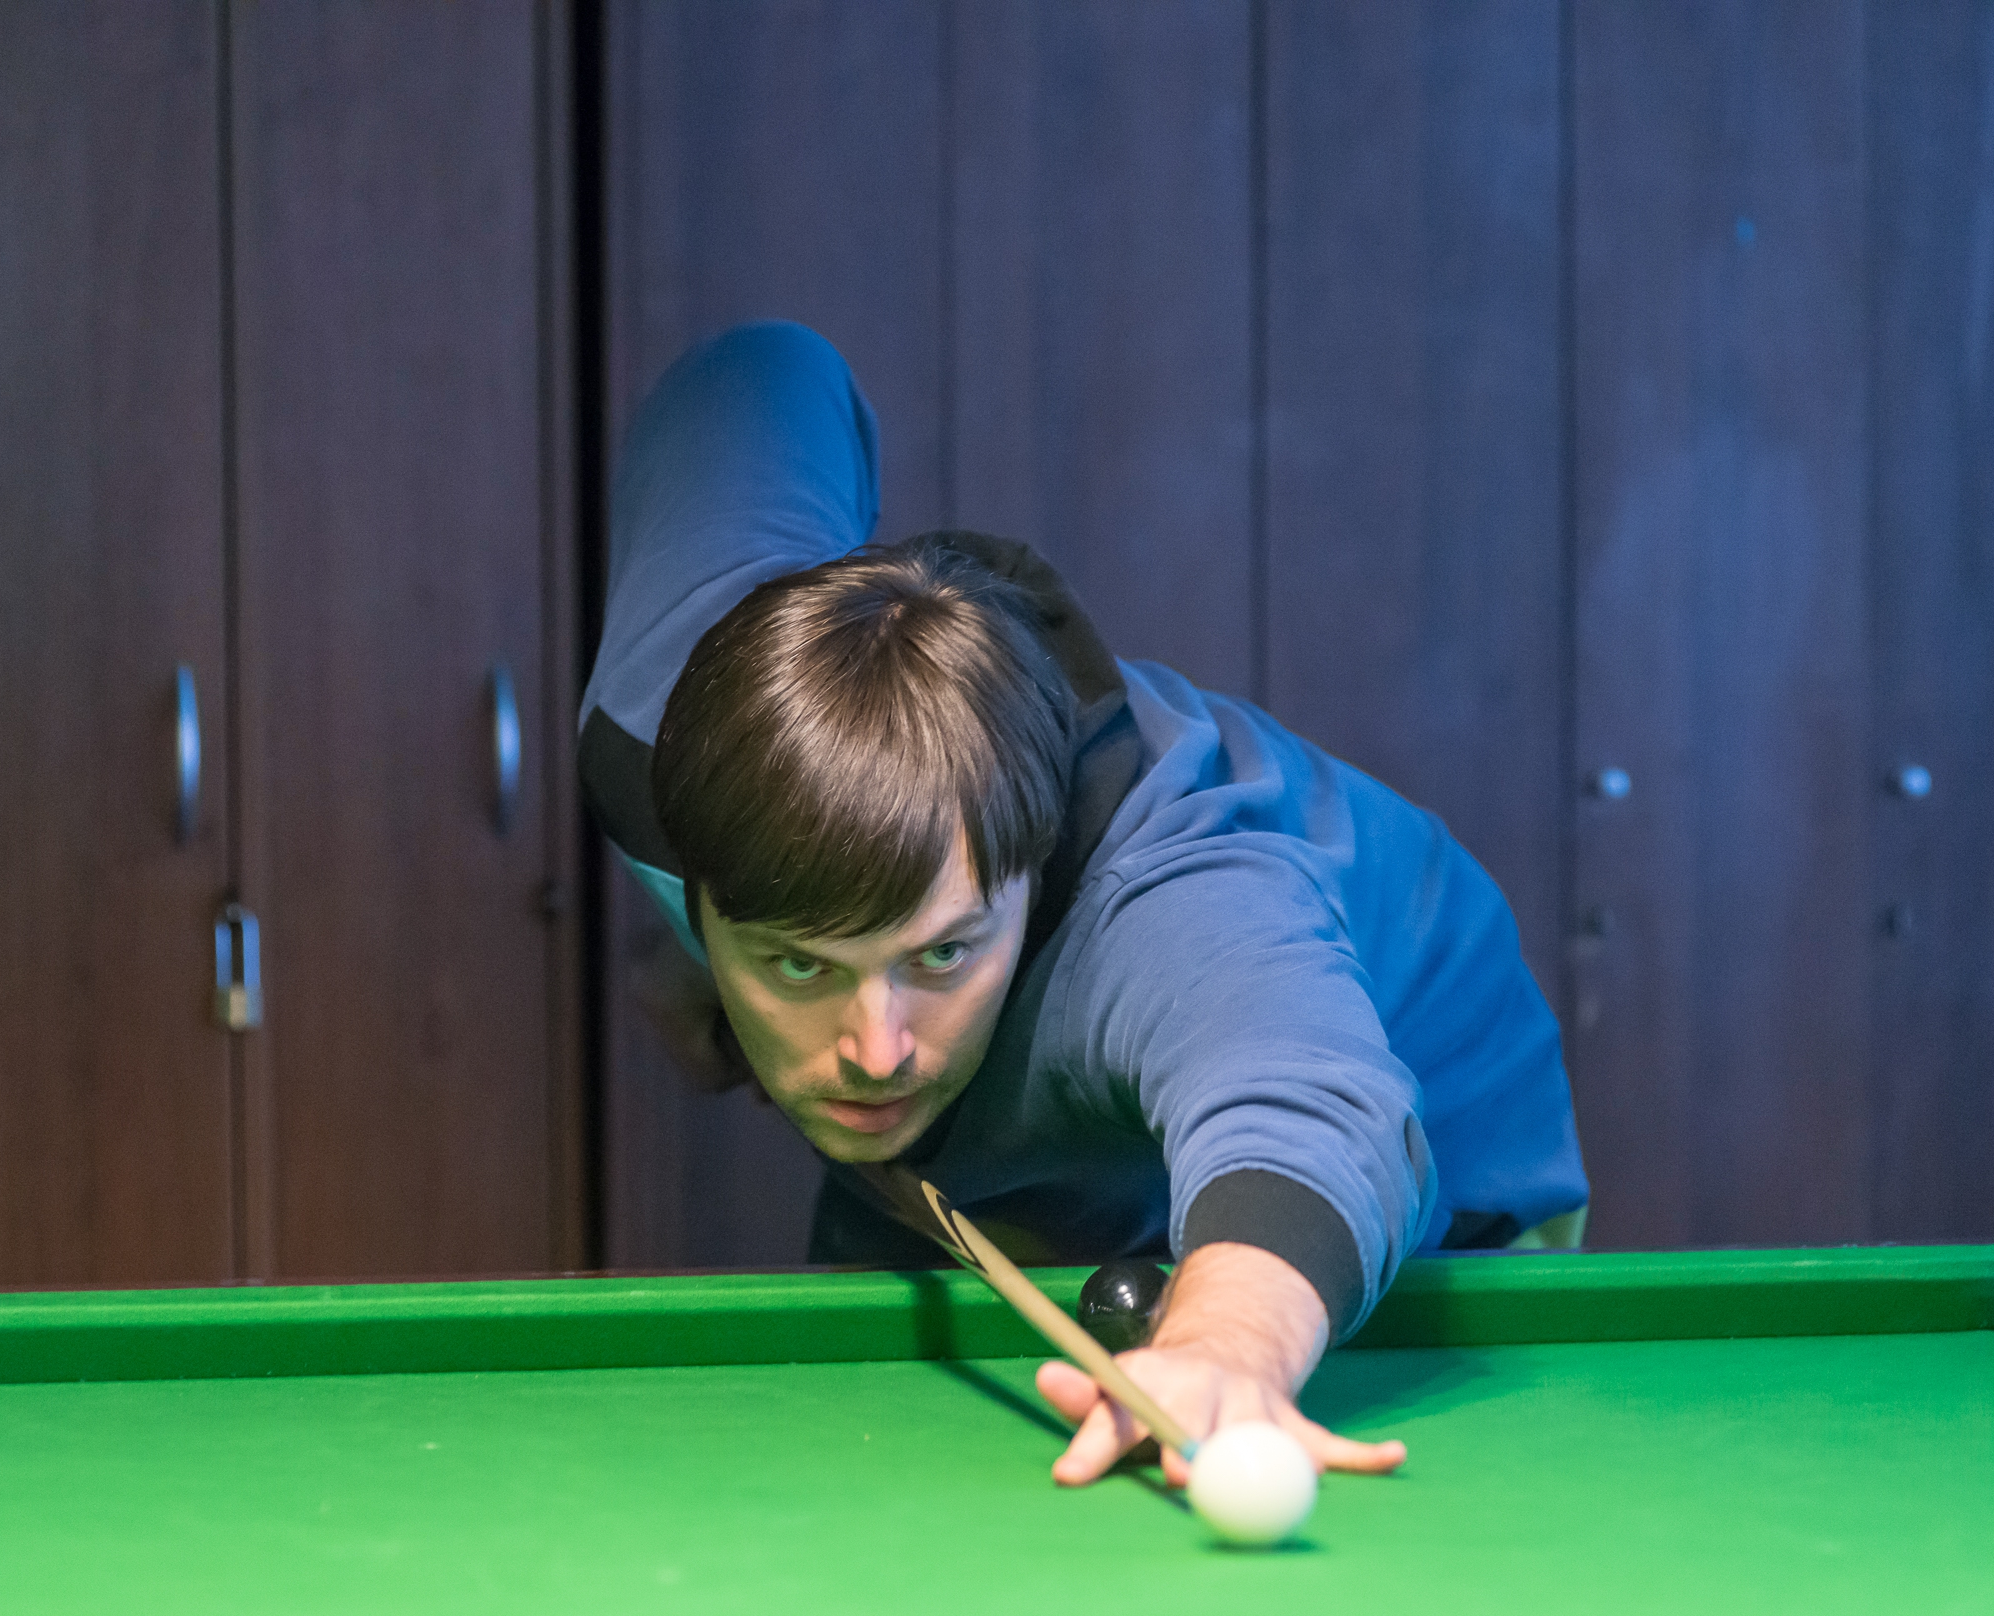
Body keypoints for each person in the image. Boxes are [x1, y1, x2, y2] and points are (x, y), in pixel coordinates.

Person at [579, 320, 1588, 1489]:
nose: (875, 1047)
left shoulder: (1164, 909)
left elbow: (1309, 1106)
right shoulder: (648, 734)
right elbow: (762, 372)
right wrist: (693, 949)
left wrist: (1227, 1342)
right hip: (991, 1130)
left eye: (941, 953)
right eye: (799, 963)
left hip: (1426, 1135)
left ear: (1027, 870)